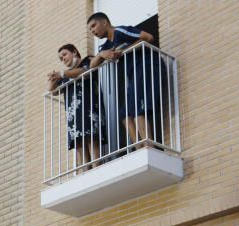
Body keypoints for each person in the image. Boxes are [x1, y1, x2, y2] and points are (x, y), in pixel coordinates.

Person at [87, 12, 160, 149]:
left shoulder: (120, 31)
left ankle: (148, 147)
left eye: (93, 26)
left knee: (138, 111)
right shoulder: (107, 45)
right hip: (133, 76)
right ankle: (140, 149)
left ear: (104, 23)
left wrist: (123, 51)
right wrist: (102, 54)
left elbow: (148, 37)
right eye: (90, 30)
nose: (93, 31)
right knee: (124, 114)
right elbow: (92, 65)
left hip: (145, 66)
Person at [49, 44, 104, 171]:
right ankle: (85, 172)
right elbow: (52, 90)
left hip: (89, 108)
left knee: (91, 138)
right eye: (60, 58)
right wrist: (53, 78)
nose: (63, 59)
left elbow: (85, 71)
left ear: (74, 52)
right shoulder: (66, 76)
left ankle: (96, 169)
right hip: (74, 114)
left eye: (64, 54)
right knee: (79, 143)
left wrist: (62, 73)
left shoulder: (88, 60)